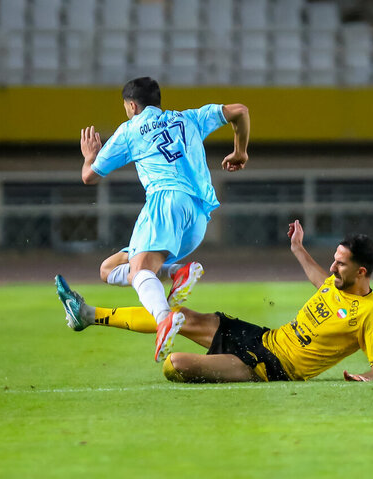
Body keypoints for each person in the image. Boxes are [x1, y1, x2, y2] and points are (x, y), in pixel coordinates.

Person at [54, 220, 373, 383]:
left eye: (340, 264)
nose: (332, 267)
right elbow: (322, 282)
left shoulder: (371, 315)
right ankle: (87, 314)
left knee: (175, 365)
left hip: (273, 368)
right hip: (264, 337)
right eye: (334, 260)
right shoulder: (336, 285)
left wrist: (366, 378)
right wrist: (298, 250)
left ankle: (230, 367)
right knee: (178, 314)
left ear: (361, 272)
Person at [77, 76, 250, 363]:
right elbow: (240, 110)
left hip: (165, 201)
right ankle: (177, 272)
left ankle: (164, 318)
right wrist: (240, 151)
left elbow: (89, 177)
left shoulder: (130, 130)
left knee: (139, 272)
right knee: (109, 269)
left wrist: (88, 157)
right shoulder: (189, 118)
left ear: (132, 105)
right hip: (197, 217)